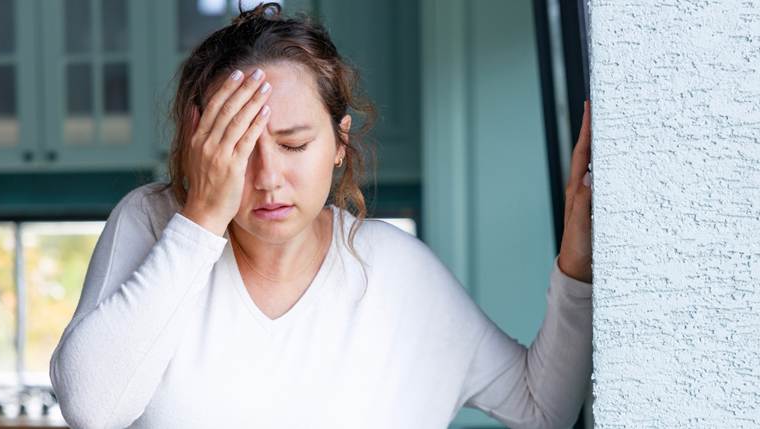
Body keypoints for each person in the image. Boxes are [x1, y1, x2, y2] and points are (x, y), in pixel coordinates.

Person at [49, 2, 593, 428]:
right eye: (238, 146)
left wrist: (576, 263)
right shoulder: (153, 222)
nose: (266, 177)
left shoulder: (397, 272)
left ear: (338, 142)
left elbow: (542, 406)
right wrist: (201, 220)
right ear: (200, 143)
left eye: (293, 144)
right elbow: (92, 408)